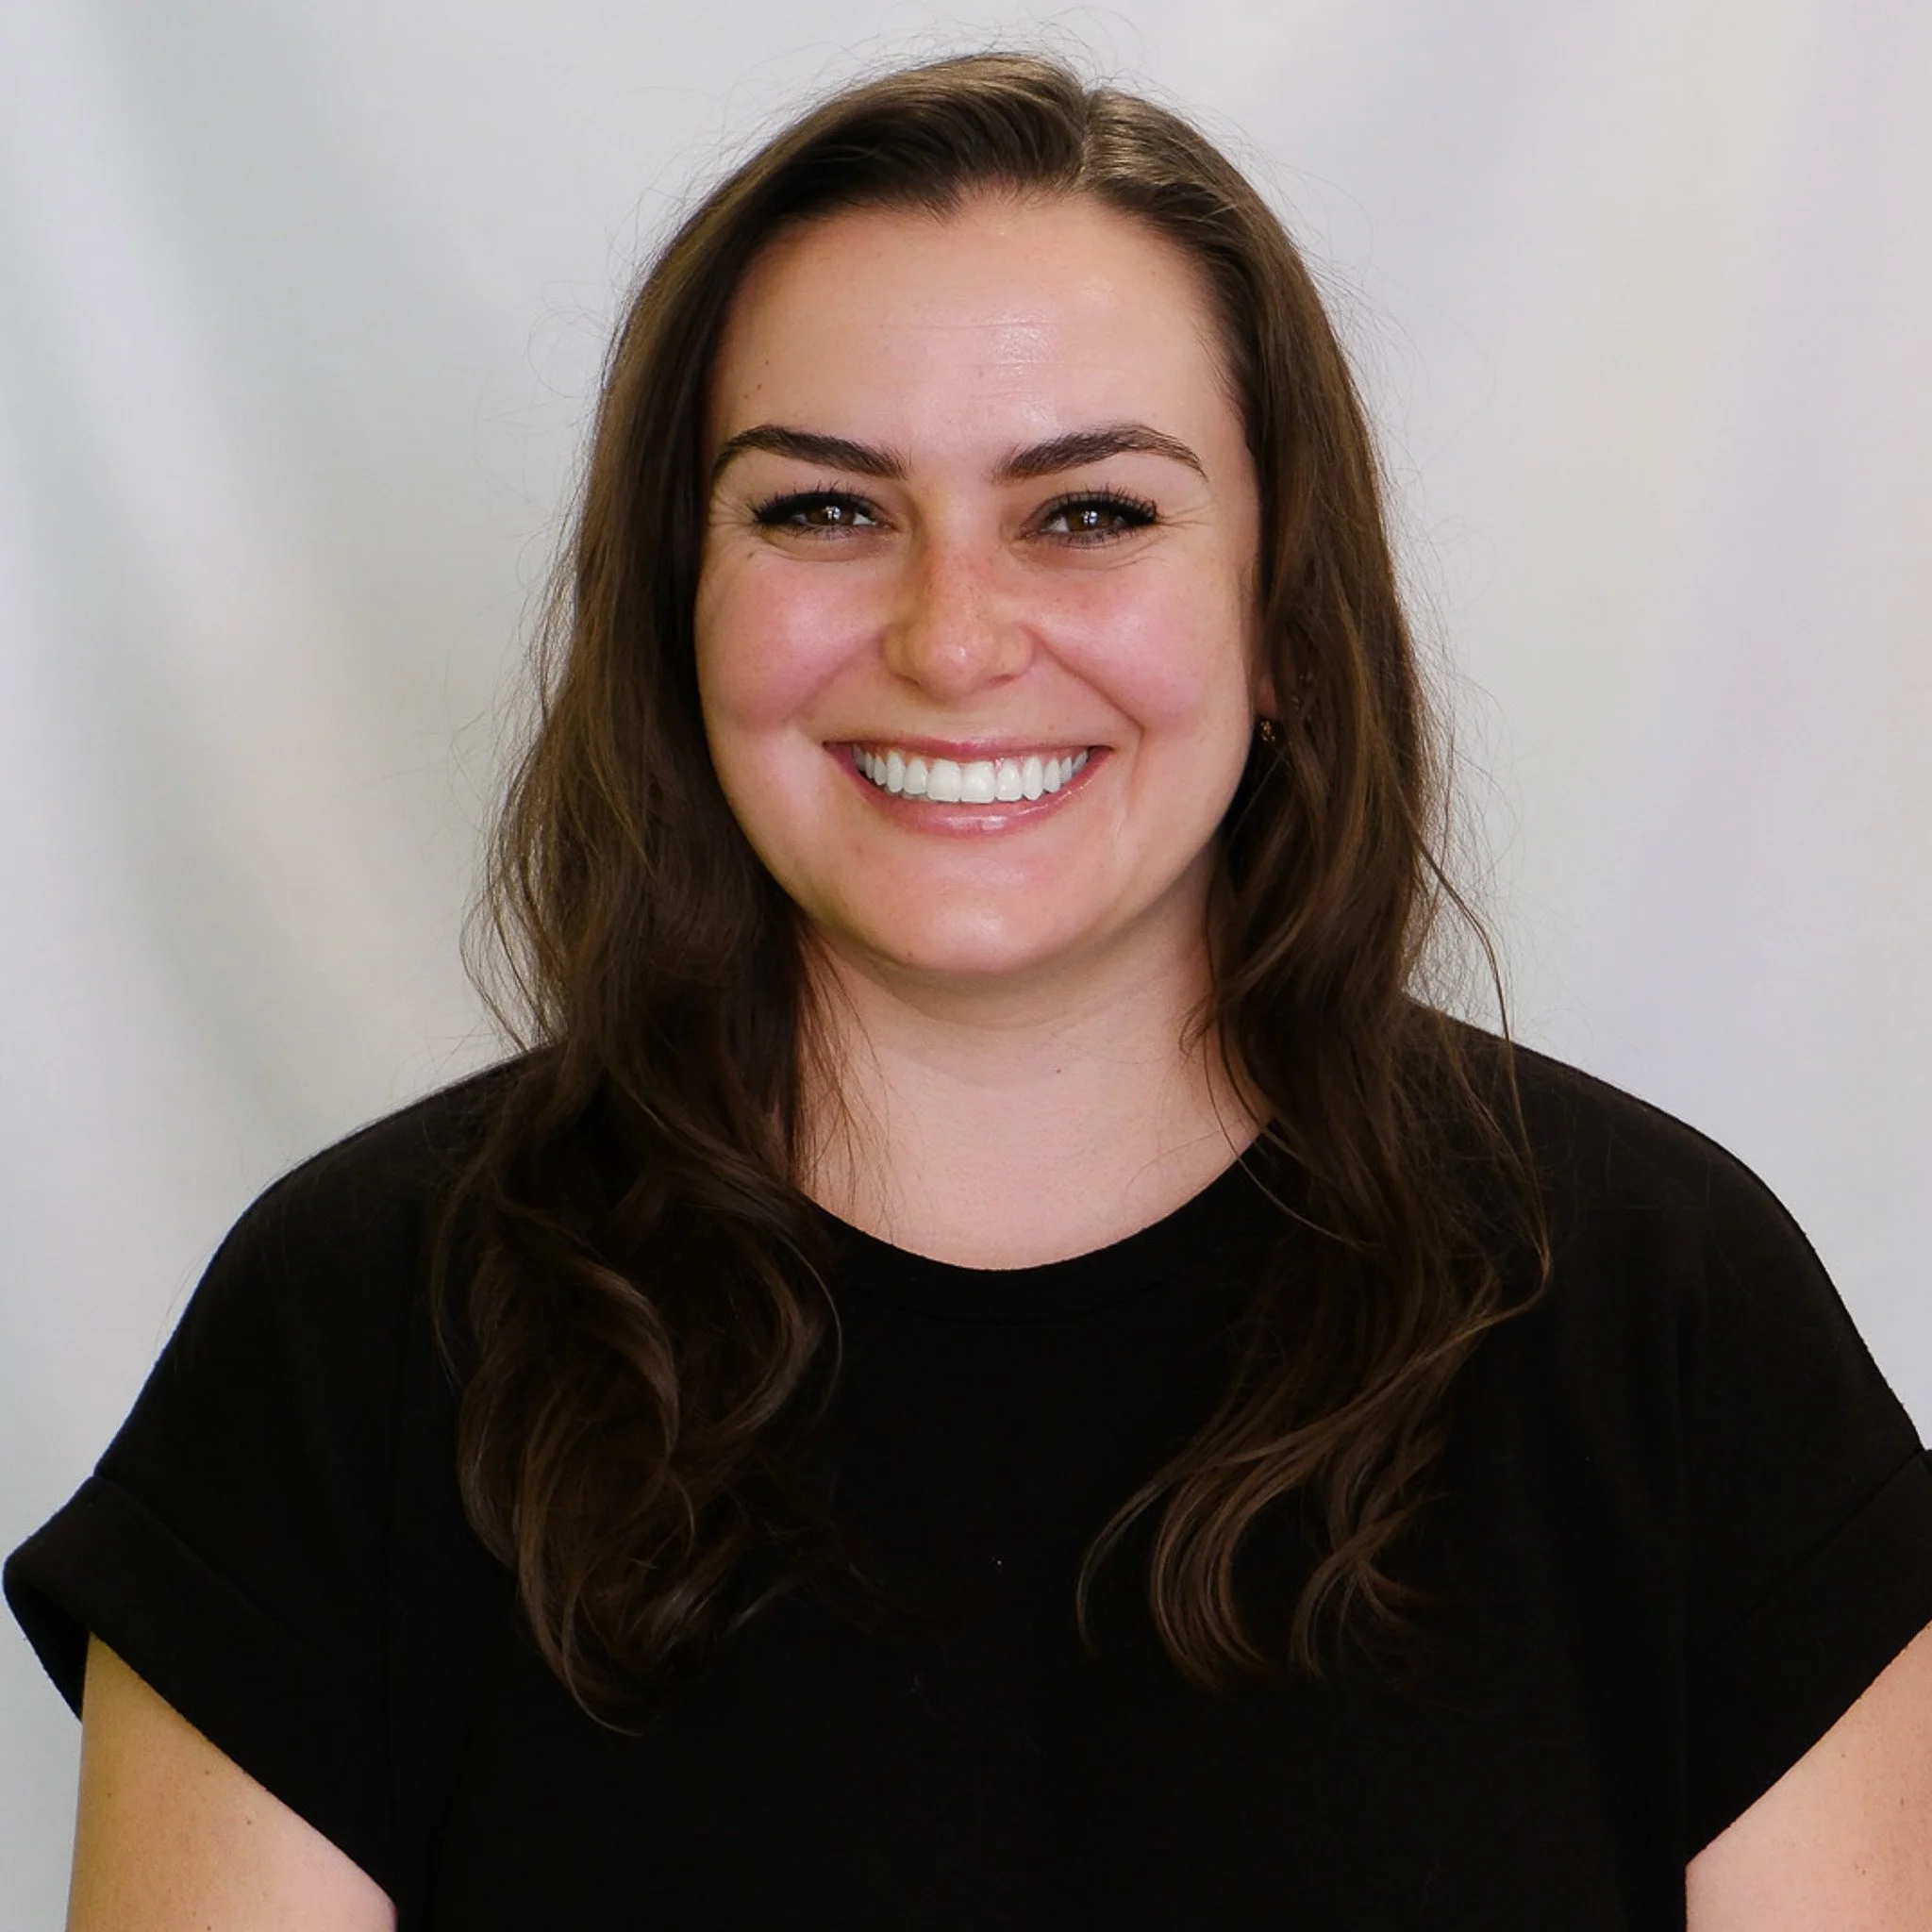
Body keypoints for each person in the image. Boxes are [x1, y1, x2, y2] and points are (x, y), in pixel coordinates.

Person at [8, 50, 1932, 1932]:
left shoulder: (1663, 1316)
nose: (950, 637)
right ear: (677, 607)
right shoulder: (355, 1329)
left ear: (1281, 615)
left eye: (1087, 510)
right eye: (820, 509)